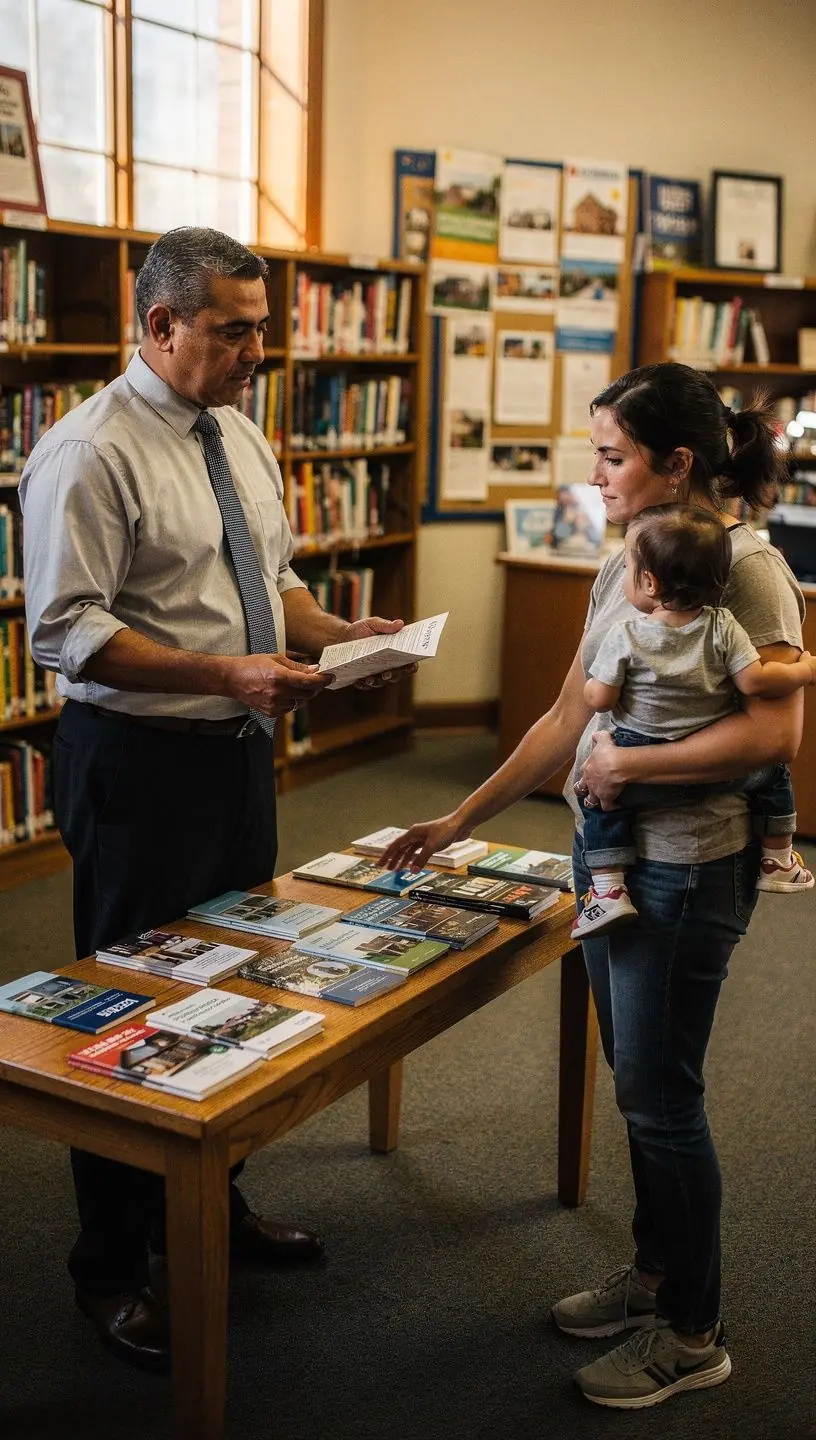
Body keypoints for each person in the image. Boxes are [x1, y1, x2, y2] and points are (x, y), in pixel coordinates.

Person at [20, 225, 412, 1372]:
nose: (259, 352)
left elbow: (270, 580)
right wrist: (226, 673)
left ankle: (207, 1204)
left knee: (236, 982)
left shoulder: (238, 431)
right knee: (128, 1008)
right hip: (137, 764)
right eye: (236, 331)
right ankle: (110, 1266)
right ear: (161, 325)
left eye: (263, 328)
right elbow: (66, 630)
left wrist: (339, 635)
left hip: (236, 754)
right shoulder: (90, 451)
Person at [381, 362, 808, 1410]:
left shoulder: (748, 569)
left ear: (678, 463)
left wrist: (630, 769)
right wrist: (460, 817)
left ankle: (694, 1333)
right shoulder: (631, 557)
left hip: (685, 868)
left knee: (663, 1101)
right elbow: (569, 712)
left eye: (613, 456)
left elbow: (776, 734)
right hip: (611, 859)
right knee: (638, 1083)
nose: (596, 473)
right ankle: (656, 1277)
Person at [574, 503, 815, 938]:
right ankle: (778, 857)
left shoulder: (627, 635)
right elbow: (757, 681)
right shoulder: (723, 626)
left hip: (635, 756)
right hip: (706, 763)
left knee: (598, 803)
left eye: (629, 568)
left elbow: (601, 697)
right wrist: (805, 671)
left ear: (650, 582)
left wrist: (594, 687)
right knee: (773, 775)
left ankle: (608, 890)